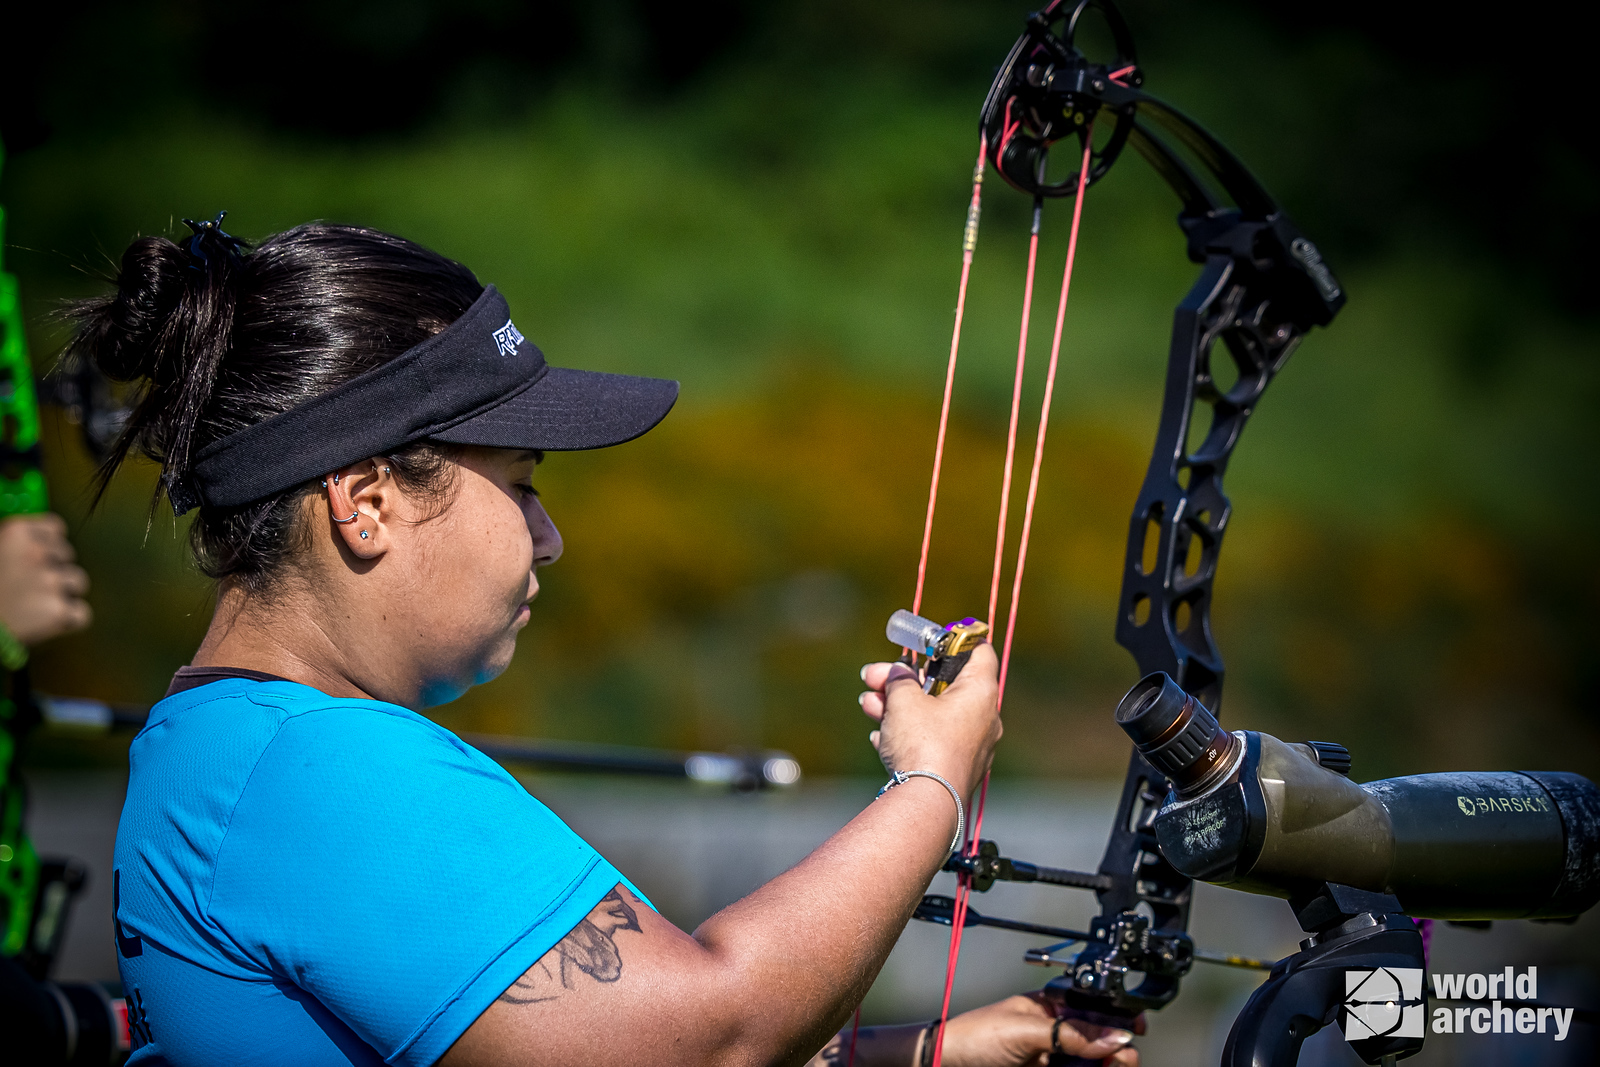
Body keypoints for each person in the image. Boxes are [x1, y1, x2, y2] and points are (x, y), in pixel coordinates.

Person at [70, 218, 1137, 1067]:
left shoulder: (220, 742)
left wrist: (924, 1050)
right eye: (522, 485)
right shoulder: (318, 767)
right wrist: (932, 779)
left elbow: (581, 1035)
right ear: (367, 501)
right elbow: (705, 1041)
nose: (551, 536)